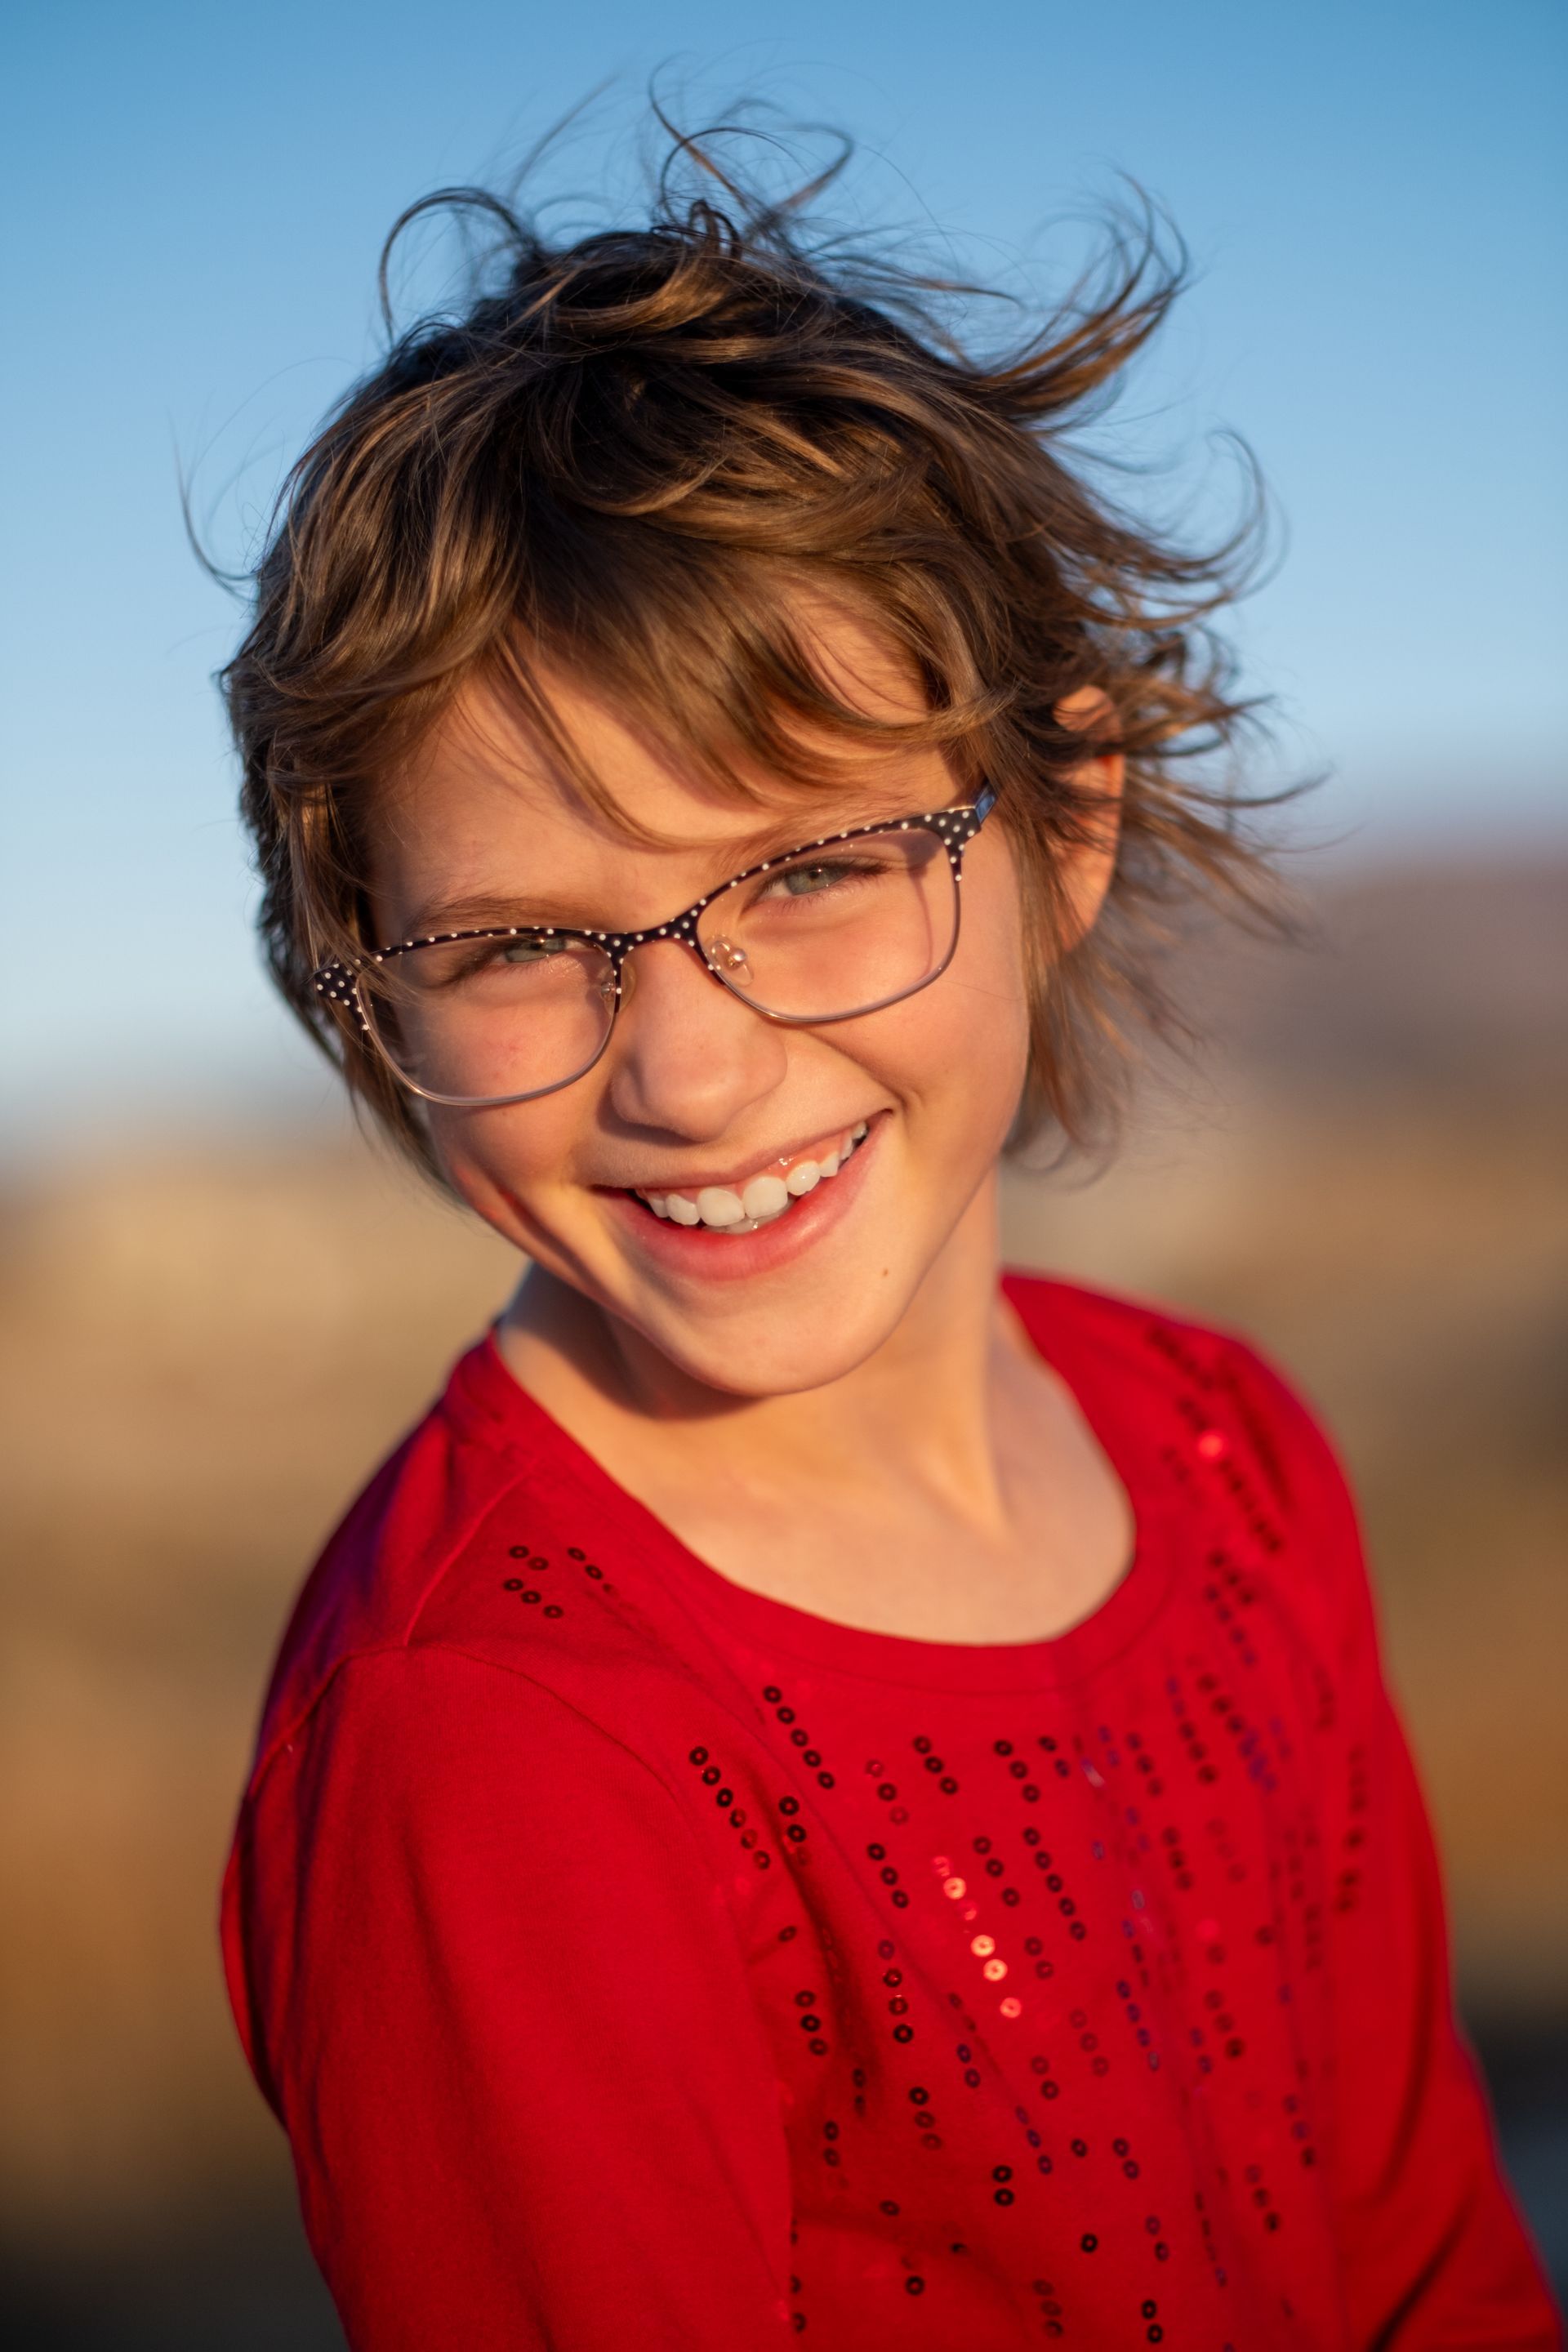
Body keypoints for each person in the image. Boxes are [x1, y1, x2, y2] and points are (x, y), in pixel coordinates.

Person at [217, 130, 1557, 2350]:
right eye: (523, 943)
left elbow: (1426, 2254)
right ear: (365, 977)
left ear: (1065, 828)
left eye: (814, 872)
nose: (690, 1073)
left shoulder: (1225, 1455)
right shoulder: (497, 1752)